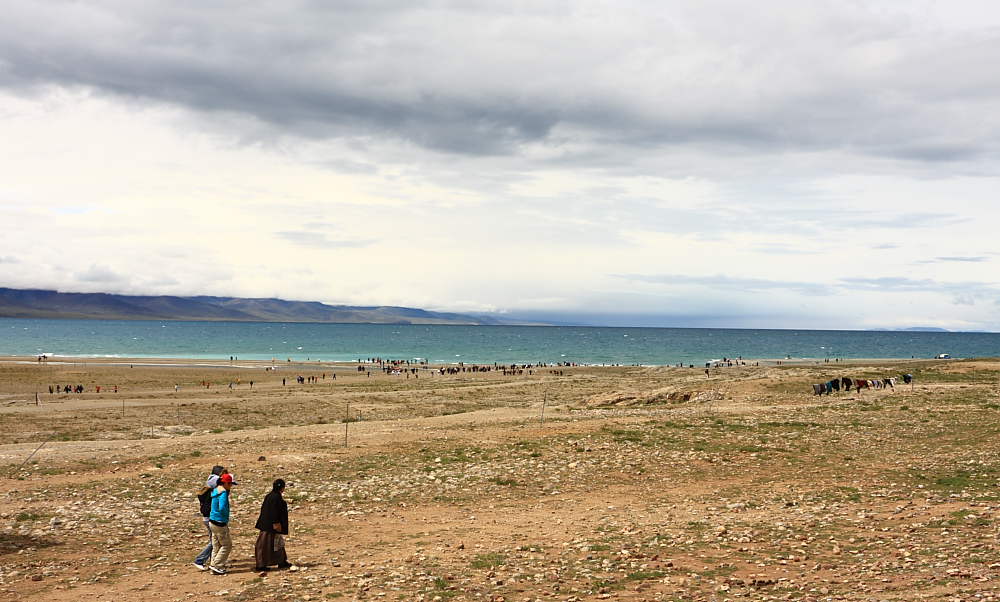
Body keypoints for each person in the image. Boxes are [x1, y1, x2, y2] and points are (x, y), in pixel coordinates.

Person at [254, 478, 292, 571]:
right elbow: (273, 511)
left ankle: (281, 561)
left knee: (278, 544)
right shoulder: (276, 497)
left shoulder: (271, 496)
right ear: (282, 488)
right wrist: (276, 523)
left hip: (269, 525)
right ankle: (261, 565)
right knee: (264, 545)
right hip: (270, 526)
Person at [193, 466, 226, 570]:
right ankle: (200, 560)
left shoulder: (207, 488)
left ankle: (214, 561)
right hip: (211, 518)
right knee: (215, 541)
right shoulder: (214, 489)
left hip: (207, 518)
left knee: (214, 540)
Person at [208, 472, 238, 575]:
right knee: (227, 545)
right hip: (220, 522)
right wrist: (225, 516)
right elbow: (222, 507)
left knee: (216, 545)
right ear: (225, 483)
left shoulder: (216, 490)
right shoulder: (223, 493)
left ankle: (214, 566)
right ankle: (217, 565)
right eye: (229, 484)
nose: (230, 486)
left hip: (212, 521)